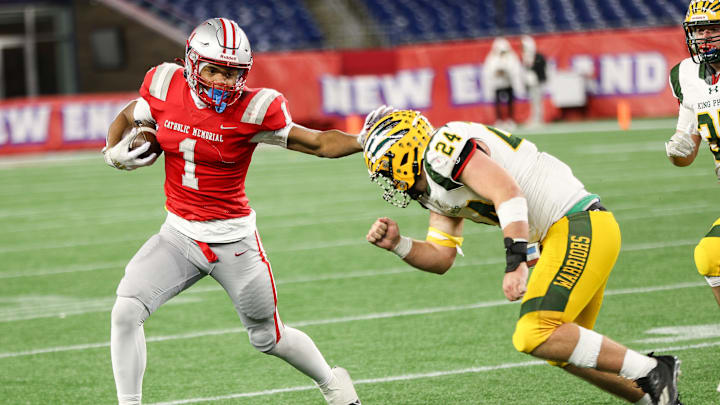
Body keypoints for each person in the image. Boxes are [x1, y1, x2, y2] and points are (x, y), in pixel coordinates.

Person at [101, 18, 386, 405]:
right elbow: (130, 113)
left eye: (231, 72)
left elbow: (317, 143)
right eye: (213, 69)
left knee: (269, 337)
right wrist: (113, 151)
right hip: (178, 236)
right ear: (191, 62)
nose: (221, 80)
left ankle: (335, 386)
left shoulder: (255, 108)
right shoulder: (164, 83)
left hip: (233, 243)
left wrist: (363, 141)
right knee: (125, 311)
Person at [361, 110, 682, 404]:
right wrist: (399, 244)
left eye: (386, 166)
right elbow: (441, 257)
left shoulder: (441, 149)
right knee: (562, 349)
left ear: (402, 149)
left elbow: (507, 191)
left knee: (535, 332)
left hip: (576, 223)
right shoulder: (432, 189)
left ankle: (655, 369)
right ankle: (656, 398)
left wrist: (515, 263)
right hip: (563, 235)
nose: (387, 178)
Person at [665, 0, 720, 308]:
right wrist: (677, 149)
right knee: (711, 255)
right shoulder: (687, 75)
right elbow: (687, 151)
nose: (704, 37)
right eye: (698, 30)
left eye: (713, 28)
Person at [482, 37, 523, 130]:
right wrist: (497, 72)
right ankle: (499, 120)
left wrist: (506, 71)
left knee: (510, 103)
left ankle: (510, 120)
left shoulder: (511, 57)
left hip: (508, 83)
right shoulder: (492, 58)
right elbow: (488, 71)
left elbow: (515, 69)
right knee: (497, 104)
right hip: (497, 84)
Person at [520, 35, 547, 128]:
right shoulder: (525, 57)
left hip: (537, 82)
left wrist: (532, 66)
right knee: (533, 101)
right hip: (530, 83)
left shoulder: (538, 56)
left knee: (538, 101)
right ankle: (535, 118)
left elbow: (541, 69)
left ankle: (539, 119)